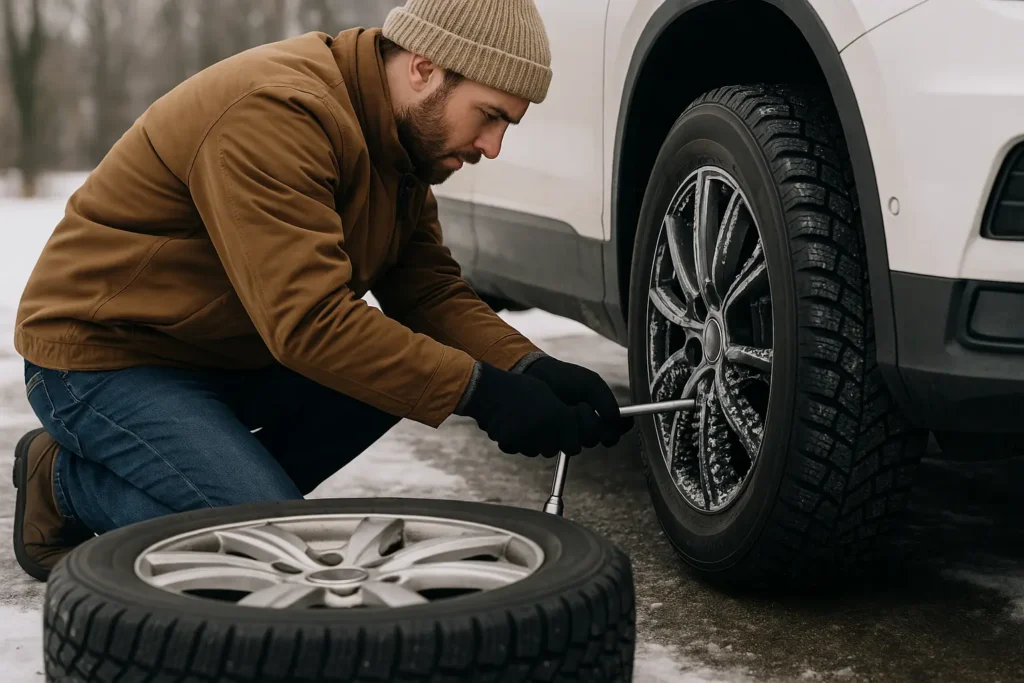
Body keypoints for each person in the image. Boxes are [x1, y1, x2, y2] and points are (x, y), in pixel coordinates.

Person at [10, 0, 634, 582]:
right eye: (490, 115)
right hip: (105, 357)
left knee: (394, 376)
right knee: (274, 552)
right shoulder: (276, 112)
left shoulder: (400, 143)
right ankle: (64, 484)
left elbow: (428, 293)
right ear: (424, 69)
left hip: (225, 348)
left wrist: (528, 367)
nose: (493, 147)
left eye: (508, 126)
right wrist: (482, 392)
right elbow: (308, 323)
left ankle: (226, 486)